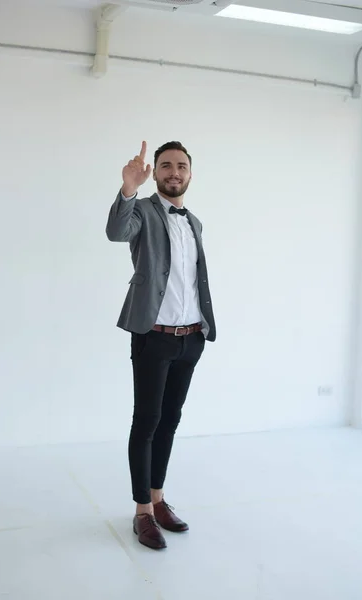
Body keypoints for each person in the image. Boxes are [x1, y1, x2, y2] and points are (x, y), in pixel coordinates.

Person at [106, 140, 216, 550]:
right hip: (153, 337)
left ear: (190, 173)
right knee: (147, 421)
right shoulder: (144, 213)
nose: (174, 172)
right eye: (166, 165)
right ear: (156, 171)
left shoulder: (195, 223)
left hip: (190, 338)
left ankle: (158, 498)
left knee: (170, 420)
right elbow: (117, 232)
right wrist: (128, 189)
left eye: (181, 166)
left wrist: (202, 328)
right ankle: (141, 512)